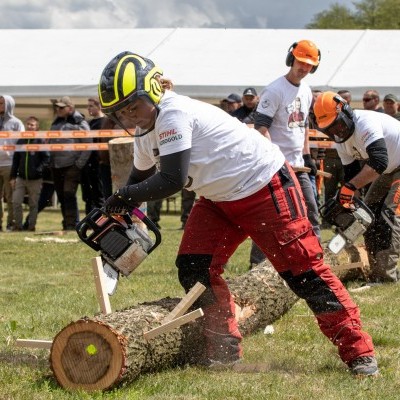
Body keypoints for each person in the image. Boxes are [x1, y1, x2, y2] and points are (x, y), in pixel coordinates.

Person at [98, 51, 378, 376]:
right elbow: (139, 178)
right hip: (219, 199)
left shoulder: (173, 112)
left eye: (134, 106)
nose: (131, 116)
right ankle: (223, 348)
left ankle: (359, 353)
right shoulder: (146, 133)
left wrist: (124, 197)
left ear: (153, 91)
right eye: (122, 112)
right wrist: (120, 208)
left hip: (264, 186)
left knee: (304, 272)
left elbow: (171, 179)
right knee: (194, 268)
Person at [314, 91, 400, 284]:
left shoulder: (365, 123)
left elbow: (378, 161)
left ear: (345, 111)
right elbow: (352, 175)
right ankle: (375, 269)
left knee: (389, 215)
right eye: (330, 129)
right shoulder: (341, 143)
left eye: (337, 124)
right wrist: (350, 205)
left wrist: (349, 188)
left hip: (391, 165)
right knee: (367, 215)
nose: (336, 131)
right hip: (388, 169)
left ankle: (386, 277)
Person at [249, 40, 322, 265]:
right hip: (277, 164)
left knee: (311, 212)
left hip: (299, 164)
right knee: (273, 215)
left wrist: (307, 156)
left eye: (309, 64)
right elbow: (261, 128)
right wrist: (276, 159)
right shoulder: (274, 90)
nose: (304, 68)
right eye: (300, 62)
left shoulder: (307, 90)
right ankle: (258, 264)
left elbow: (304, 128)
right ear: (291, 59)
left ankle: (314, 261)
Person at [49, 96, 91, 230]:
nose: (58, 110)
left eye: (61, 107)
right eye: (57, 107)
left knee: (68, 194)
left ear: (70, 108)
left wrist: (78, 165)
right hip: (56, 165)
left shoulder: (80, 123)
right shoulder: (56, 121)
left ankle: (72, 225)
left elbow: (88, 145)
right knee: (61, 195)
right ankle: (67, 223)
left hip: (71, 166)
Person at [9, 116, 50, 231]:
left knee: (33, 204)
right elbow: (16, 160)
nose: (29, 126)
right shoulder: (21, 140)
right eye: (28, 124)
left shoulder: (40, 141)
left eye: (32, 125)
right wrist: (12, 176)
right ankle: (18, 226)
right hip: (21, 178)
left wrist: (39, 170)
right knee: (16, 202)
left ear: (37, 127)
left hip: (35, 179)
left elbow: (46, 159)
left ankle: (31, 226)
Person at [0, 95, 24, 231]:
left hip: (9, 165)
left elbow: (22, 145)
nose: (0, 105)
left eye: (2, 103)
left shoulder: (16, 123)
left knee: (10, 197)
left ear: (9, 104)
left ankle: (11, 223)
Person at [81, 97, 106, 214]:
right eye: (88, 106)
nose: (88, 108)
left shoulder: (105, 122)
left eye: (91, 106)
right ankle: (89, 221)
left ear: (99, 106)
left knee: (98, 194)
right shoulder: (89, 123)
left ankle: (102, 222)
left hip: (98, 163)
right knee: (88, 195)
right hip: (87, 162)